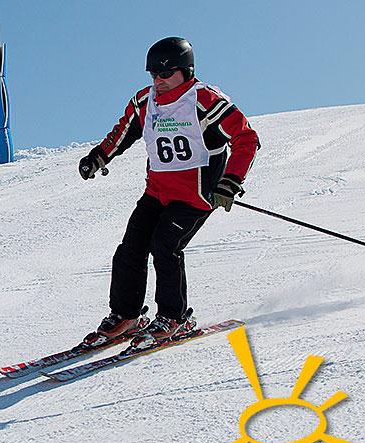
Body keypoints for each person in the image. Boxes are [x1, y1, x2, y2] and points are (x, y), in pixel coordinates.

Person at [79, 37, 259, 349]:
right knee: (131, 247)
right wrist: (99, 157)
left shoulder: (204, 100)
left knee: (165, 245)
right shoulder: (145, 102)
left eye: (166, 74)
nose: (159, 81)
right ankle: (126, 315)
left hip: (196, 196)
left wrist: (230, 181)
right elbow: (122, 132)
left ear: (186, 71)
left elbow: (246, 138)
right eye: (154, 75)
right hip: (157, 192)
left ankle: (174, 318)